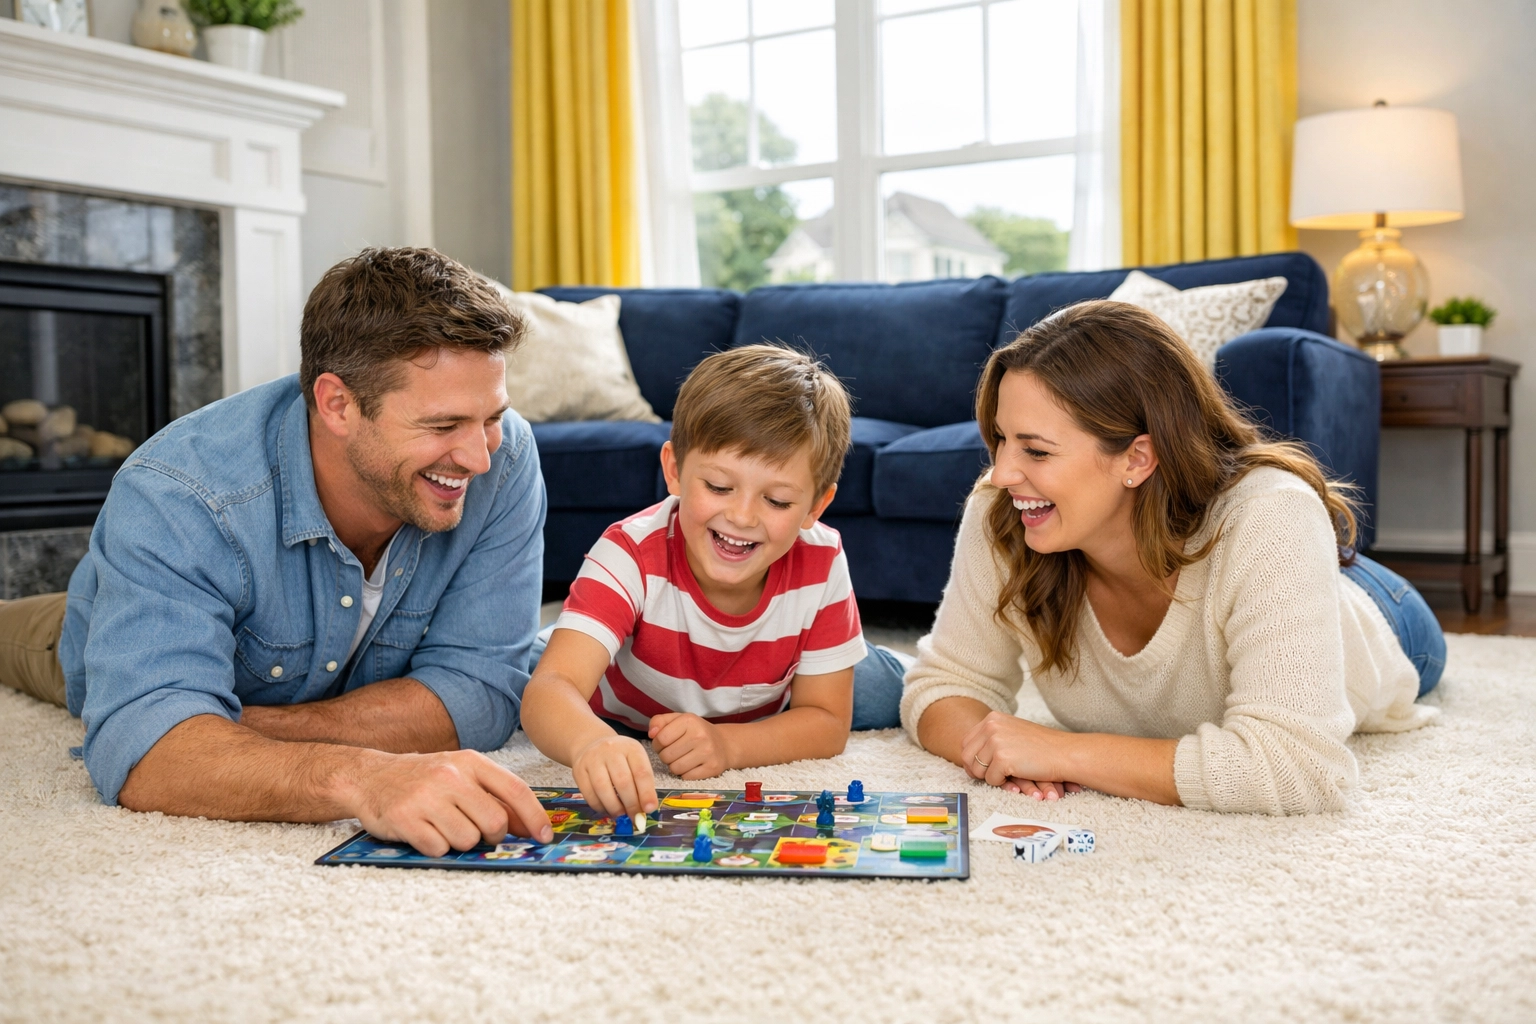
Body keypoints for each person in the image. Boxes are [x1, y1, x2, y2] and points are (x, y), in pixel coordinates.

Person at [0, 247, 554, 855]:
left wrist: (223, 732)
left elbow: (481, 693)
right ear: (337, 403)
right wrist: (363, 774)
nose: (478, 455)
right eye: (443, 426)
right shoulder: (178, 495)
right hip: (76, 631)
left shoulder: (506, 459)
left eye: (491, 417)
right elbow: (146, 751)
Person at [903, 301, 1444, 815]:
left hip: (1381, 614)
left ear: (1137, 457)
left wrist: (1065, 753)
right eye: (1000, 440)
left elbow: (1299, 767)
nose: (1002, 473)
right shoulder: (1005, 512)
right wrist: (998, 754)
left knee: (1371, 616)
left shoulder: (1272, 517)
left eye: (1036, 450)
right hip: (1271, 566)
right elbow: (941, 685)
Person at [519, 345, 911, 821]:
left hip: (775, 685)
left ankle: (884, 658)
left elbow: (828, 725)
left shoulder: (823, 558)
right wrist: (591, 741)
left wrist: (726, 745)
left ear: (815, 507)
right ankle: (564, 627)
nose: (742, 516)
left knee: (901, 692)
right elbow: (551, 690)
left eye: (778, 500)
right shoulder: (628, 553)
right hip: (626, 685)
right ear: (675, 470)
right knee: (528, 674)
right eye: (720, 487)